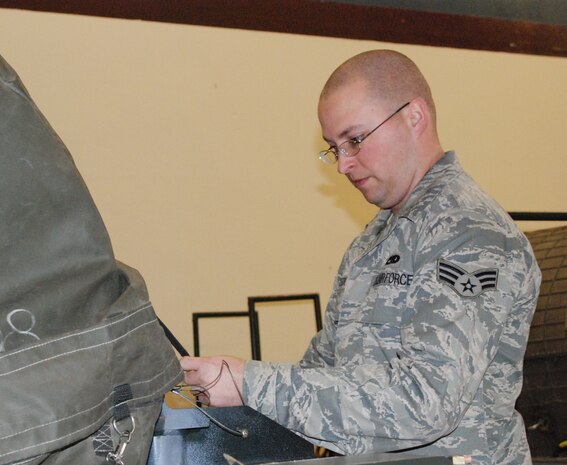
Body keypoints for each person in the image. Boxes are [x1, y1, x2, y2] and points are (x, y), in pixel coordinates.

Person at [180, 50, 541, 465]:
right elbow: (323, 371)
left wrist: (251, 383)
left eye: (354, 140)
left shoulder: (472, 234)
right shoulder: (374, 241)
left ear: (415, 116)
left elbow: (425, 402)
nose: (343, 165)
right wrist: (223, 393)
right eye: (334, 148)